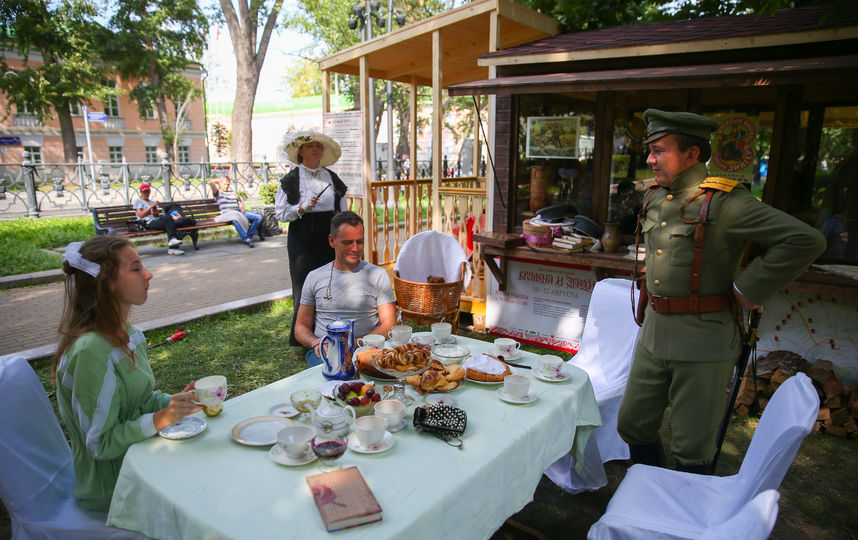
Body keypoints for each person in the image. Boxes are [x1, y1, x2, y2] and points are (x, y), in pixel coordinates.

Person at [616, 109, 827, 474]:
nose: (650, 159)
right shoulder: (655, 198)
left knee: (691, 447)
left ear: (692, 155)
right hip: (653, 334)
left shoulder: (725, 203)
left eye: (659, 150)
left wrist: (747, 288)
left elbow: (804, 239)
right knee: (632, 424)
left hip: (702, 342)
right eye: (650, 150)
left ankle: (679, 515)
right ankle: (648, 487)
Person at [52, 236, 200, 512]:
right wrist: (162, 417)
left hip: (143, 463)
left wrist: (173, 402)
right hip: (115, 489)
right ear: (107, 283)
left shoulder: (130, 334)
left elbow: (139, 401)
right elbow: (101, 443)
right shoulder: (90, 351)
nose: (148, 274)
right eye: (135, 268)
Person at [274, 130, 349, 346]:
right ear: (301, 151)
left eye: (318, 146)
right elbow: (281, 214)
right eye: (310, 146)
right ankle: (303, 336)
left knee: (331, 283)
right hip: (302, 238)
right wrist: (302, 207)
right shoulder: (291, 180)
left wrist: (343, 230)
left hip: (329, 236)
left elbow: (342, 209)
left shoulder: (331, 177)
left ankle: (333, 331)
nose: (315, 149)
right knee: (305, 285)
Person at [294, 211, 396, 368]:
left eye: (360, 242)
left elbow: (389, 324)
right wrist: (316, 342)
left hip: (368, 350)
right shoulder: (315, 277)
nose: (355, 248)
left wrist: (353, 344)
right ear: (331, 241)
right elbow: (300, 327)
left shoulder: (377, 275)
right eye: (348, 242)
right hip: (326, 352)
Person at [208, 177, 264, 248]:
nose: (227, 186)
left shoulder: (232, 193)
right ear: (220, 184)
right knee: (235, 220)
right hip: (228, 214)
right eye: (224, 184)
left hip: (239, 212)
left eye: (228, 184)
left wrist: (242, 207)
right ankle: (246, 238)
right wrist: (218, 180)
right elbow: (210, 182)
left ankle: (248, 236)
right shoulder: (218, 193)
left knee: (258, 218)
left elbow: (239, 202)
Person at [132, 183, 186, 255]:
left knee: (169, 218)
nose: (146, 193)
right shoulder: (138, 201)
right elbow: (140, 215)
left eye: (148, 191)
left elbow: (157, 215)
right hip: (147, 223)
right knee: (170, 223)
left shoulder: (151, 202)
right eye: (144, 192)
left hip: (155, 220)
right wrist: (152, 206)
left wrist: (156, 213)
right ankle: (173, 247)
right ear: (141, 192)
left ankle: (172, 245)